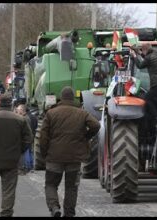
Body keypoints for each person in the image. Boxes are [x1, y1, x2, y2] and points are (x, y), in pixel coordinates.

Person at [39, 86, 100, 217]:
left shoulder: (51, 113)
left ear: (61, 97)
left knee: (50, 184)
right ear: (73, 98)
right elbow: (96, 125)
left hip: (54, 157)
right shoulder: (81, 113)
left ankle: (54, 207)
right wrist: (85, 137)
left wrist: (44, 154)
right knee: (71, 187)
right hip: (74, 158)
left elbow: (43, 137)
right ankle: (69, 213)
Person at [130, 43, 157, 171]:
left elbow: (140, 65)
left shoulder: (149, 58)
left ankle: (156, 118)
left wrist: (134, 55)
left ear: (145, 50)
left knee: (147, 99)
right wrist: (140, 52)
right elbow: (146, 54)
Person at [15, 104, 37, 175]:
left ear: (22, 110)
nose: (17, 111)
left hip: (26, 139)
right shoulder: (31, 117)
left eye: (18, 110)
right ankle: (30, 166)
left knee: (26, 153)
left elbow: (25, 130)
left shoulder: (24, 119)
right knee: (30, 152)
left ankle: (27, 167)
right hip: (30, 137)